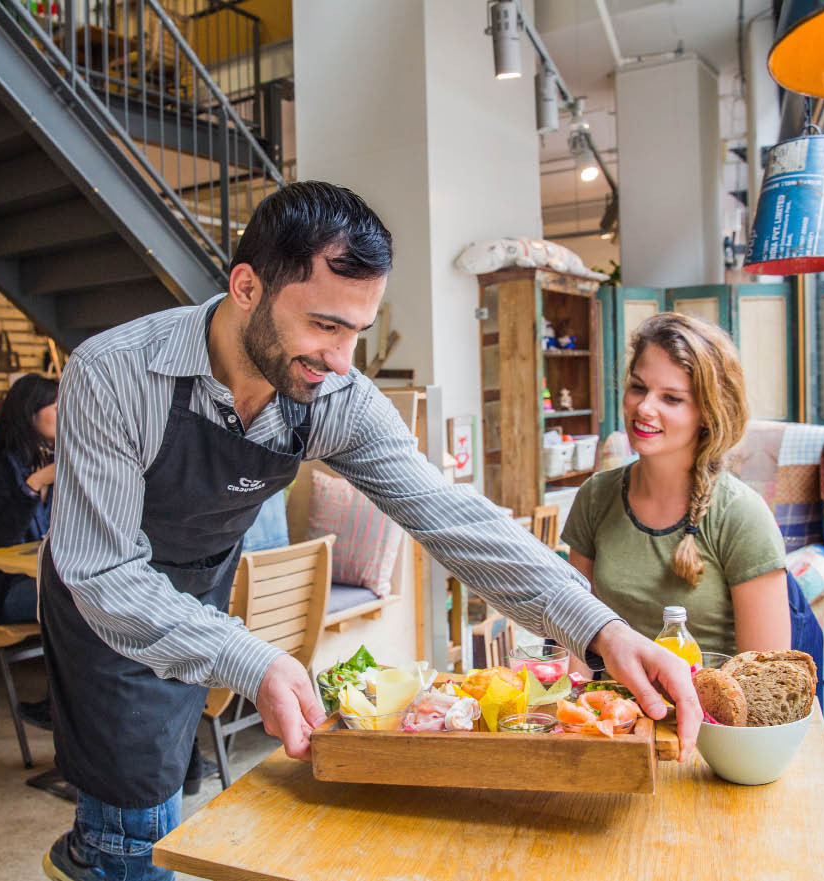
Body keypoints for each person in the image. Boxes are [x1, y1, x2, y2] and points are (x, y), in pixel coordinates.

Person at [38, 181, 702, 881]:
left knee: (164, 775)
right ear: (245, 287)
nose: (343, 359)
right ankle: (101, 853)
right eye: (325, 324)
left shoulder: (331, 395)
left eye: (358, 329)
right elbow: (102, 571)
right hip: (105, 597)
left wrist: (601, 628)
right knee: (136, 823)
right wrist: (249, 655)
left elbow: (448, 514)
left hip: (200, 585)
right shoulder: (113, 374)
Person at [561, 313, 790, 658]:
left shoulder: (741, 515)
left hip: (708, 713)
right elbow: (575, 643)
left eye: (671, 398)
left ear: (709, 414)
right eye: (638, 387)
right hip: (611, 710)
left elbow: (764, 680)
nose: (644, 407)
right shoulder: (595, 496)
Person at [0, 373, 57, 625]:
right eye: (57, 407)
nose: (67, 414)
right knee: (85, 598)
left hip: (49, 578)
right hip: (6, 589)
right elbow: (1, 536)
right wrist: (36, 483)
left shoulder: (57, 462)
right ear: (31, 413)